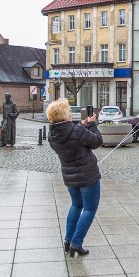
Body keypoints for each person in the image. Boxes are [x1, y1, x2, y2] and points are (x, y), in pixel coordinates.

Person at [47, 98, 102, 257]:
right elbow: (97, 141)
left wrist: (82, 126)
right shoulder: (77, 131)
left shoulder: (52, 134)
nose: (71, 114)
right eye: (69, 112)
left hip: (70, 176)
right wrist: (92, 125)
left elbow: (70, 134)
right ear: (64, 115)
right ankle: (76, 243)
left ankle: (68, 240)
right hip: (87, 176)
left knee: (76, 206)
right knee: (89, 209)